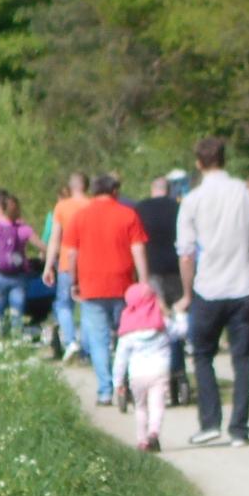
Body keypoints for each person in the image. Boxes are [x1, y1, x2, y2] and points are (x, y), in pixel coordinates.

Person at [177, 137, 249, 447]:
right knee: (242, 360)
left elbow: (186, 252)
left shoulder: (192, 199)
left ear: (198, 163)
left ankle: (210, 421)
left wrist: (187, 292)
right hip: (243, 284)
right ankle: (239, 429)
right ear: (224, 159)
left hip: (208, 286)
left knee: (202, 355)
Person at [63, 174, 149, 406]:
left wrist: (74, 281)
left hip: (91, 286)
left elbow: (72, 254)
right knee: (126, 336)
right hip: (123, 285)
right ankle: (126, 384)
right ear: (114, 192)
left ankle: (105, 390)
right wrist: (143, 281)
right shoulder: (128, 214)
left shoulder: (80, 217)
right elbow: (138, 250)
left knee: (99, 341)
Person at [111, 282, 176, 452]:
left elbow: (120, 358)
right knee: (157, 405)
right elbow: (178, 330)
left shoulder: (127, 329)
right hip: (160, 370)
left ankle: (142, 440)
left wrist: (117, 381)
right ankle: (154, 432)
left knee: (140, 408)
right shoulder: (161, 323)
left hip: (137, 373)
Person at [42, 172, 91, 361]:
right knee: (87, 305)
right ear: (86, 186)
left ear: (70, 188)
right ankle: (86, 350)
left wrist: (48, 266)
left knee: (64, 304)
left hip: (65, 263)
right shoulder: (92, 205)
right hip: (89, 263)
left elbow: (55, 239)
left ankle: (71, 342)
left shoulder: (62, 207)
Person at [0, 191, 42, 333]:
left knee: (0, 314)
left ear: (0, 210)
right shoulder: (24, 229)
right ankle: (17, 338)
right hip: (19, 276)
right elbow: (44, 247)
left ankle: (2, 339)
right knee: (17, 312)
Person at [135, 174, 184, 306]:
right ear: (169, 190)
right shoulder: (179, 208)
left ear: (152, 189)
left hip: (151, 266)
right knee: (178, 308)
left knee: (155, 309)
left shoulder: (140, 208)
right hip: (175, 266)